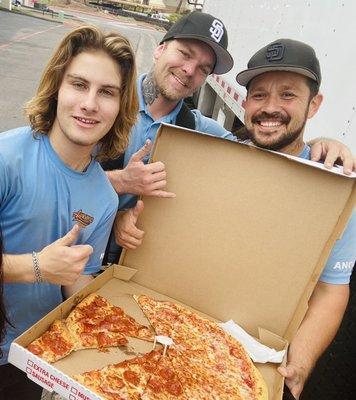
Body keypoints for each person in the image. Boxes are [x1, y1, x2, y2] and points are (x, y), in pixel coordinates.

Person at [104, 11, 355, 260]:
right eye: (184, 54)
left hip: (127, 259)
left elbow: (264, 146)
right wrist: (119, 182)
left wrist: (317, 146)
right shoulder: (103, 102)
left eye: (204, 68)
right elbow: (64, 168)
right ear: (160, 49)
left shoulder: (197, 129)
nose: (190, 70)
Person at [0, 25, 138, 399]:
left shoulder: (105, 198)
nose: (90, 103)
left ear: (120, 106)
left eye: (106, 92)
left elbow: (76, 282)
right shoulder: (6, 159)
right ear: (57, 88)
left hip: (28, 356)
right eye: (79, 84)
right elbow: (48, 269)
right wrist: (37, 267)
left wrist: (122, 324)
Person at [235, 38, 356, 399]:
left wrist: (299, 364)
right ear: (244, 102)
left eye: (287, 95)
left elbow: (331, 289)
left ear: (314, 104)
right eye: (259, 95)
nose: (270, 108)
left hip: (262, 354)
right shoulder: (217, 160)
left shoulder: (335, 191)